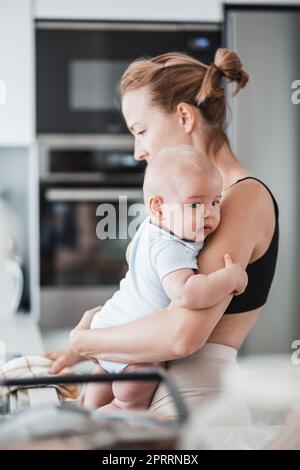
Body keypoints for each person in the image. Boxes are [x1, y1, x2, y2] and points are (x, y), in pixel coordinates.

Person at [46, 48, 279, 424]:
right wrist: (86, 349)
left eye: (141, 131)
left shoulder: (240, 199)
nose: (139, 151)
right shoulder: (182, 209)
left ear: (184, 116)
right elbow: (150, 293)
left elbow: (181, 334)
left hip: (192, 405)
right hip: (159, 390)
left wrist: (88, 342)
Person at [80, 147, 247, 412]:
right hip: (137, 350)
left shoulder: (149, 229)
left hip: (108, 331)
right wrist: (229, 278)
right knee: (127, 405)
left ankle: (85, 417)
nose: (210, 213)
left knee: (94, 400)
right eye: (195, 204)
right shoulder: (171, 248)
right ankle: (108, 418)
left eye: (215, 202)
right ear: (158, 208)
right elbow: (186, 294)